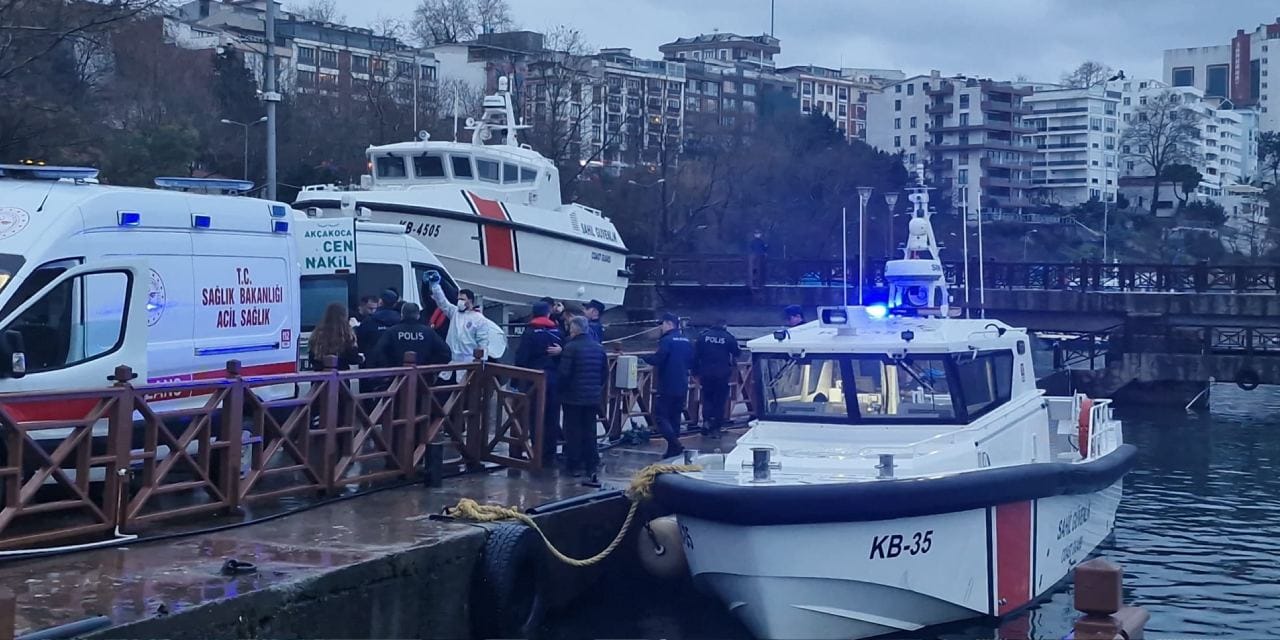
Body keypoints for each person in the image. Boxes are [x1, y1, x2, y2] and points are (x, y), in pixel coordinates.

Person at [558, 316, 607, 485]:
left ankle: (574, 465)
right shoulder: (598, 347)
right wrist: (596, 389)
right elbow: (604, 373)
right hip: (592, 397)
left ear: (575, 329)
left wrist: (561, 391)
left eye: (571, 328)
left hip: (573, 397)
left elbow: (564, 374)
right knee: (590, 430)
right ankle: (591, 464)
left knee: (573, 431)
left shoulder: (570, 348)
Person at [515, 301, 563, 461]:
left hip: (534, 380)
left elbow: (522, 357)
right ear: (548, 314)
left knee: (535, 416)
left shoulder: (530, 332)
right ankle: (550, 453)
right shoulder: (557, 331)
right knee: (552, 416)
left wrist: (516, 381)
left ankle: (537, 452)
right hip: (553, 380)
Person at [644, 313, 694, 458]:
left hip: (667, 384)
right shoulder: (686, 340)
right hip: (682, 384)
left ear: (669, 324)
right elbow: (692, 361)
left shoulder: (666, 340)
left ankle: (675, 444)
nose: (661, 327)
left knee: (660, 416)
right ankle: (672, 449)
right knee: (675, 417)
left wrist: (643, 358)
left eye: (663, 324)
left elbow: (659, 359)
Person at [426, 271, 489, 364]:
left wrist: (481, 363)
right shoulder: (455, 312)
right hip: (451, 361)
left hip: (468, 362)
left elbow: (483, 342)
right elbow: (442, 302)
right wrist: (435, 287)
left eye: (462, 299)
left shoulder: (479, 319)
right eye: (458, 299)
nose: (459, 302)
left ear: (470, 301)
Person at [693, 318, 740, 438]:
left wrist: (695, 372)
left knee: (707, 398)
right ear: (724, 325)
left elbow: (696, 355)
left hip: (706, 373)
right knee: (719, 401)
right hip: (722, 374)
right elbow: (737, 352)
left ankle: (706, 421)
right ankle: (716, 427)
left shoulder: (703, 336)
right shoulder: (728, 337)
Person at [371, 302, 451, 368]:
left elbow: (377, 353)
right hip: (423, 377)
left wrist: (389, 367)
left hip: (397, 376)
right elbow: (445, 353)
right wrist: (428, 366)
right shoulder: (428, 332)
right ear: (418, 316)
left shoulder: (392, 331)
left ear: (402, 315)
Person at [309, 302, 364, 371]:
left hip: (320, 374)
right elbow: (353, 358)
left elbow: (312, 358)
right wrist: (361, 358)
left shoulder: (317, 333)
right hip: (341, 374)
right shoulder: (346, 334)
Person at [355, 289, 401, 355]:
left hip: (373, 358)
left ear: (380, 302)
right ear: (395, 304)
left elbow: (360, 340)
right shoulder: (400, 320)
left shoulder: (369, 320)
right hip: (395, 359)